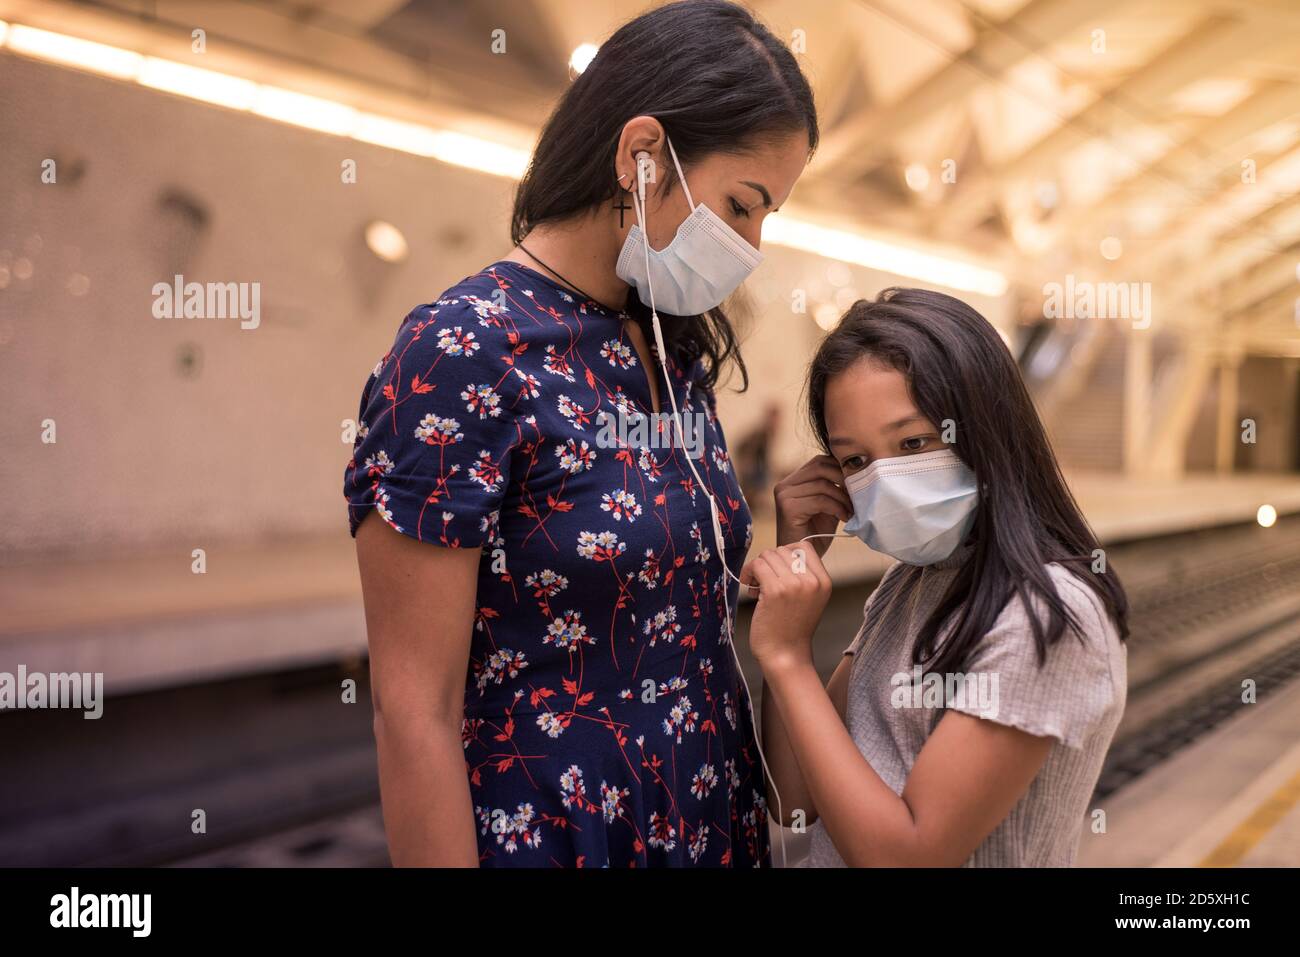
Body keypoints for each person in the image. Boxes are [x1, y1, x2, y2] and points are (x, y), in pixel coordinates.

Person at [343, 0, 818, 867]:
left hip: (708, 829)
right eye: (743, 205)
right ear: (643, 155)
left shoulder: (675, 353)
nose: (750, 244)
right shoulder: (465, 351)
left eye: (765, 219)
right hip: (559, 838)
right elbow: (413, 714)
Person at [745, 287, 1130, 866]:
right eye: (855, 460)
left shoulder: (1048, 615)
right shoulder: (910, 583)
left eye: (914, 442)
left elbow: (906, 856)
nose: (888, 479)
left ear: (986, 428)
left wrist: (789, 658)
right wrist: (795, 556)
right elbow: (794, 800)